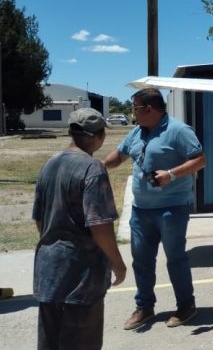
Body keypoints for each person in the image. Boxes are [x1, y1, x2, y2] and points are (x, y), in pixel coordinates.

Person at [102, 88, 206, 330]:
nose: (133, 114)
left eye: (135, 108)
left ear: (148, 109)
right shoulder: (137, 132)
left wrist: (171, 174)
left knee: (175, 259)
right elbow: (118, 155)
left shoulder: (179, 130)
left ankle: (186, 306)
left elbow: (200, 159)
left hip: (172, 208)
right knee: (142, 260)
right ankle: (145, 307)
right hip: (141, 211)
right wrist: (95, 167)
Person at [33, 108, 127, 350]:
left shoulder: (49, 164)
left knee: (50, 340)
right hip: (81, 273)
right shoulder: (92, 168)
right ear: (99, 136)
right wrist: (117, 262)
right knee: (82, 341)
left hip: (49, 269)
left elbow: (39, 220)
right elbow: (99, 224)